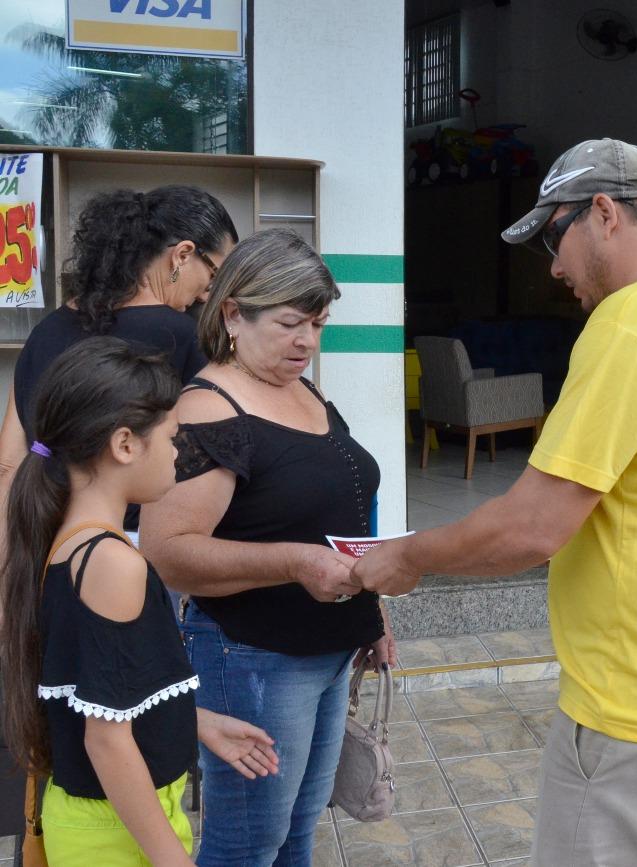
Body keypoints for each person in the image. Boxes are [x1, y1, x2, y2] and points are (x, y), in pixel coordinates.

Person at [355, 138, 637, 866]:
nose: (553, 265)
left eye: (554, 237)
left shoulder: (636, 322)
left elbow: (532, 527)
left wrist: (404, 554)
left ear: (605, 213)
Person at [139, 228, 394, 866]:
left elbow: (334, 505)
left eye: (318, 323)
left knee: (297, 833)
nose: (306, 341)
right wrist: (292, 563)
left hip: (329, 648)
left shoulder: (299, 386)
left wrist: (374, 613)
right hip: (252, 659)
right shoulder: (209, 410)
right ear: (232, 314)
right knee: (247, 844)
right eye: (289, 324)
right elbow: (168, 552)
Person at [0, 337, 279, 866]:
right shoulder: (112, 563)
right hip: (113, 830)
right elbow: (107, 742)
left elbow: (99, 688)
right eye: (173, 438)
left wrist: (193, 720)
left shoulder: (66, 540)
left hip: (101, 818)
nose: (179, 453)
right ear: (125, 444)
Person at [0, 184, 238, 534]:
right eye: (215, 275)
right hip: (132, 543)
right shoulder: (183, 337)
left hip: (41, 537)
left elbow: (9, 464)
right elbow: (204, 464)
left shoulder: (44, 332)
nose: (208, 293)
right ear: (183, 255)